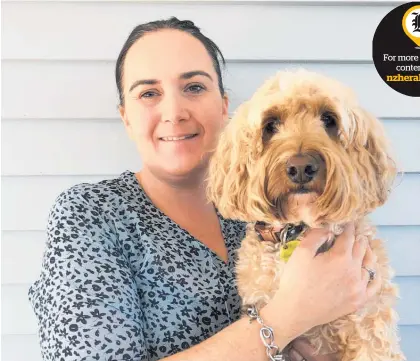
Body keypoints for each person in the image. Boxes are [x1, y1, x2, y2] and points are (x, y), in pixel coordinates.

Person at [28, 17, 380, 361]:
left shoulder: (266, 215)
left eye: (194, 87)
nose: (174, 112)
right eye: (149, 93)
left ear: (225, 105)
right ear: (126, 118)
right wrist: (288, 317)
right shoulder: (92, 213)